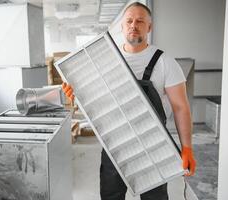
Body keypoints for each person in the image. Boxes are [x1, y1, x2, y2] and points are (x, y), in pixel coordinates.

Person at [62, 2, 196, 200]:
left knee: (155, 197)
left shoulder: (165, 62)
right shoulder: (105, 59)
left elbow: (180, 107)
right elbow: (95, 98)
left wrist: (187, 148)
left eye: (140, 21)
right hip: (114, 142)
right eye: (129, 21)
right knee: (111, 195)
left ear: (149, 27)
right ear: (122, 27)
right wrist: (76, 93)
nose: (134, 25)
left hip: (154, 145)